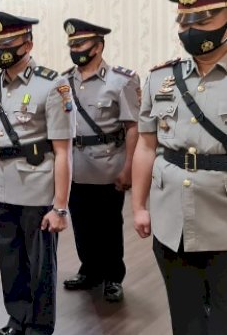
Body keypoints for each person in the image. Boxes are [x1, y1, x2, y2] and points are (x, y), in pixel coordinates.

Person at [132, 0, 227, 335]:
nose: (191, 29)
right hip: (172, 220)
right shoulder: (161, 78)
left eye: (203, 20)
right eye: (184, 21)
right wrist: (139, 206)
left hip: (224, 219)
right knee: (185, 315)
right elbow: (146, 146)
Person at [0, 12, 74, 335]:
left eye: (8, 42)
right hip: (1, 188)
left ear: (28, 44)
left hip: (37, 190)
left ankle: (39, 328)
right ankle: (17, 320)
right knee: (10, 261)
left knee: (40, 267)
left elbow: (63, 150)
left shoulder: (52, 84)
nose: (1, 49)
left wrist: (60, 207)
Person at [60, 19, 140, 302]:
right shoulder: (63, 82)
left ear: (98, 46)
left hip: (108, 166)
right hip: (74, 166)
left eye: (80, 44)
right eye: (72, 45)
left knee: (108, 226)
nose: (75, 49)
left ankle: (113, 277)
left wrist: (129, 168)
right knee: (82, 224)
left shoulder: (121, 80)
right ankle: (90, 270)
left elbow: (133, 128)